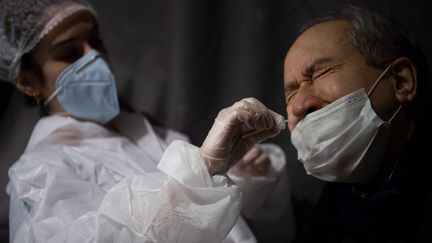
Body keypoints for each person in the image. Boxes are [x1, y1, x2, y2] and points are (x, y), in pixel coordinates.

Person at [0, 0, 290, 242]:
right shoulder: (41, 171)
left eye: (96, 41)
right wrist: (202, 172)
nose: (95, 58)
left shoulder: (153, 135)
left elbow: (231, 228)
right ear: (28, 82)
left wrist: (245, 179)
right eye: (69, 53)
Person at [282, 5, 432, 242]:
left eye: (321, 73)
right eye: (290, 93)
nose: (299, 106)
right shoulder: (333, 206)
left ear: (401, 81)